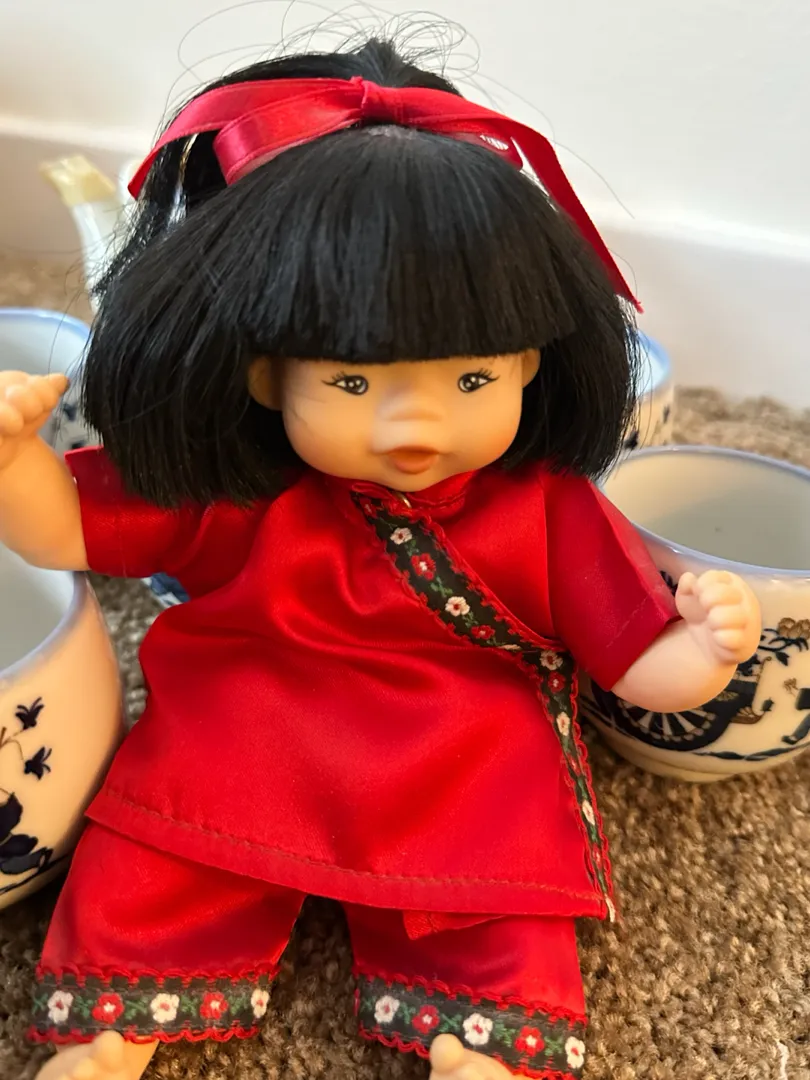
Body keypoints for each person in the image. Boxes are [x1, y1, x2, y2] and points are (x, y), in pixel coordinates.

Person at [0, 37, 760, 1080]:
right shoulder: (248, 490)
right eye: (352, 385)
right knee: (157, 846)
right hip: (250, 720)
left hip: (459, 746)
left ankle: (481, 1050)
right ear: (268, 378)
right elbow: (64, 532)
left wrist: (704, 652)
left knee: (495, 889)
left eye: (471, 381)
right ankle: (109, 1032)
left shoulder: (546, 507)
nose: (416, 426)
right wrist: (16, 464)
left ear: (528, 367)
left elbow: (633, 658)